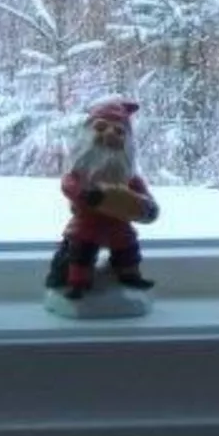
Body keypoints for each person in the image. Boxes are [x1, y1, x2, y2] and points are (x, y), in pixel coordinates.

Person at [45, 98, 160, 299]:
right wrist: (85, 195)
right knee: (81, 249)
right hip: (86, 221)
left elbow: (144, 198)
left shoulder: (129, 178)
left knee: (128, 248)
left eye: (119, 131)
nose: (109, 135)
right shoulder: (80, 173)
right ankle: (78, 282)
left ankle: (129, 275)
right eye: (100, 128)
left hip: (118, 222)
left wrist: (146, 207)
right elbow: (68, 185)